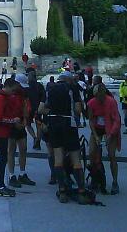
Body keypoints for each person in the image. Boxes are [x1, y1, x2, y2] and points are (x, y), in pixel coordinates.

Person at [44, 71, 90, 204]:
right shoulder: (72, 88)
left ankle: (62, 190)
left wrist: (54, 113)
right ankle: (81, 191)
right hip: (69, 124)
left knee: (58, 157)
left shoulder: (51, 88)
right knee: (76, 159)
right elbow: (77, 110)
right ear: (69, 80)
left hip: (54, 124)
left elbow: (42, 108)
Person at [87, 83, 121, 195]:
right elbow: (91, 120)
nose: (100, 99)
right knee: (92, 152)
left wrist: (111, 134)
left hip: (110, 127)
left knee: (112, 155)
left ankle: (115, 182)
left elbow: (116, 119)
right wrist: (96, 136)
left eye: (101, 96)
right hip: (97, 128)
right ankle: (94, 178)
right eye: (97, 97)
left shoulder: (111, 101)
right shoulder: (91, 103)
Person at [0, 78, 20, 197]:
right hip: (0, 132)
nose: (13, 93)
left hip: (4, 131)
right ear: (7, 86)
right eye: (13, 90)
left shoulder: (4, 97)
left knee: (3, 158)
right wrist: (12, 120)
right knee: (3, 158)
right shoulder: (0, 98)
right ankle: (0, 185)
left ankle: (1, 184)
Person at [7, 74, 35, 188]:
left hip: (20, 123)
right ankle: (11, 175)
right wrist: (15, 122)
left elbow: (24, 107)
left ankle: (22, 173)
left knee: (23, 148)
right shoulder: (9, 94)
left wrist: (24, 120)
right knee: (11, 150)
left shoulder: (23, 94)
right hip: (11, 124)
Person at [26, 71, 46, 150]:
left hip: (29, 108)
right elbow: (43, 97)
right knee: (39, 125)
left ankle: (35, 137)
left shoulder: (27, 86)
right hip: (38, 108)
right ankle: (37, 140)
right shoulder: (39, 86)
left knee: (28, 124)